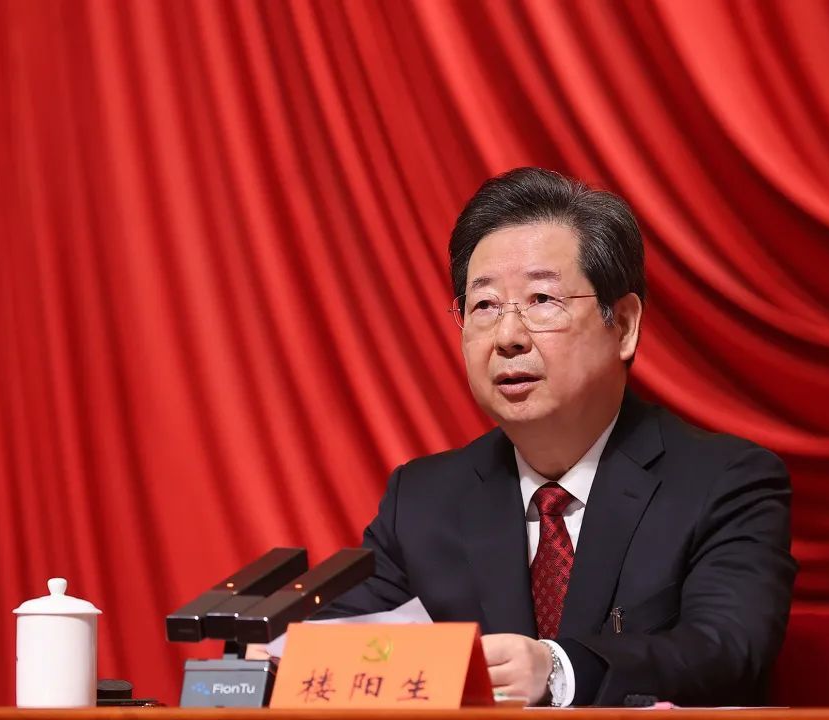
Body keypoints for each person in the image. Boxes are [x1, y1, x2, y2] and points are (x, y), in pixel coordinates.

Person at [316, 167, 796, 706]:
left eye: (542, 299)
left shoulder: (722, 482)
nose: (508, 336)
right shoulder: (423, 500)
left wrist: (558, 669)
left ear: (625, 325)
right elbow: (342, 652)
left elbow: (726, 649)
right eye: (484, 306)